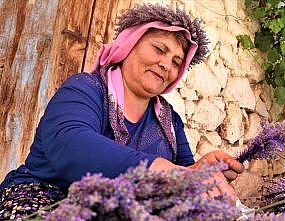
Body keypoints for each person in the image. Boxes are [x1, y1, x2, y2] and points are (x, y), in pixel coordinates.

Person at [0, 4, 244, 219]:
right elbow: (71, 144)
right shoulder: (85, 89)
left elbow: (183, 176)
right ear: (129, 45)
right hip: (44, 201)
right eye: (159, 50)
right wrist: (161, 169)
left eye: (176, 62)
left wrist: (199, 172)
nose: (165, 64)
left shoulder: (170, 121)